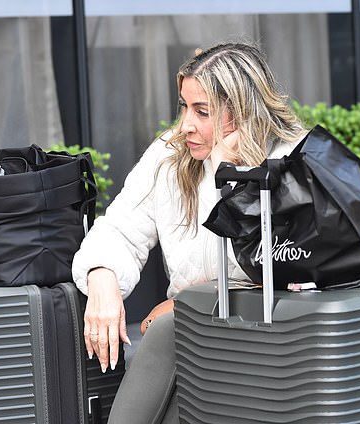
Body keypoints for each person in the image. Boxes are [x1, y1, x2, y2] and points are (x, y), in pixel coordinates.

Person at [72, 41, 310, 423]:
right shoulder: (170, 155)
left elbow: (292, 265)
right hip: (193, 342)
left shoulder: (292, 162)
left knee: (169, 334)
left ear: (245, 111)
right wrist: (102, 280)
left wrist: (226, 169)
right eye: (184, 106)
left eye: (202, 111)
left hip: (271, 345)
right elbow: (120, 227)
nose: (185, 125)